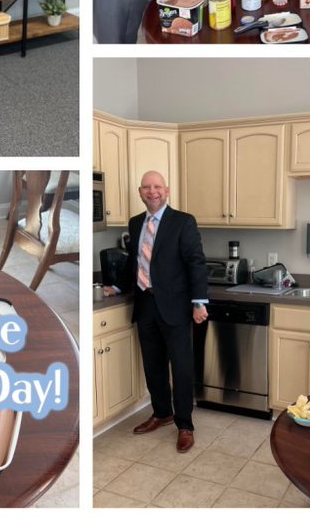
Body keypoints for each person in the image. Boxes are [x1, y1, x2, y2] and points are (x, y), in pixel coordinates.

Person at [102, 171, 208, 453]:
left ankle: (185, 425)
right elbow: (134, 262)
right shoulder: (136, 223)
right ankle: (162, 413)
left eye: (157, 186)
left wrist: (199, 302)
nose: (153, 191)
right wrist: (116, 285)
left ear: (167, 190)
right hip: (145, 304)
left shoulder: (183, 222)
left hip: (175, 307)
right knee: (153, 365)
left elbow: (196, 263)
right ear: (140, 192)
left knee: (182, 368)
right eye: (147, 187)